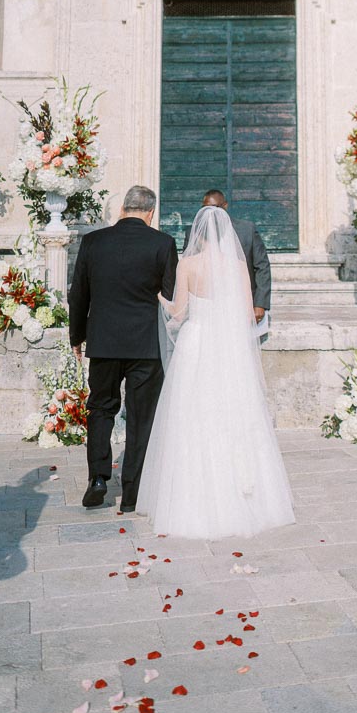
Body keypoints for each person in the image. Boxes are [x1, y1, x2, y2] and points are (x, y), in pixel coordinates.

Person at [137, 204, 294, 539]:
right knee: (235, 411)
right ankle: (246, 494)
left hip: (197, 342)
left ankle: (194, 497)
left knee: (193, 414)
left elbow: (178, 315)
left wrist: (161, 301)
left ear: (196, 232)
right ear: (227, 234)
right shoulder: (237, 265)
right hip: (229, 345)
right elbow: (243, 312)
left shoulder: (188, 264)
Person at [68, 184, 178, 513]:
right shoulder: (163, 244)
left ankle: (98, 478)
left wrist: (77, 336)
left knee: (100, 409)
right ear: (150, 213)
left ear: (122, 209)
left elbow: (78, 295)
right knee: (141, 418)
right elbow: (170, 298)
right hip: (145, 345)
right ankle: (132, 492)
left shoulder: (93, 242)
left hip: (103, 342)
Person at [198, 190, 271, 329]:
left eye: (215, 208)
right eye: (206, 208)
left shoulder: (246, 229)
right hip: (208, 307)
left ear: (225, 206)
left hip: (240, 303)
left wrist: (260, 304)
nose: (211, 212)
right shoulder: (195, 233)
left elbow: (262, 266)